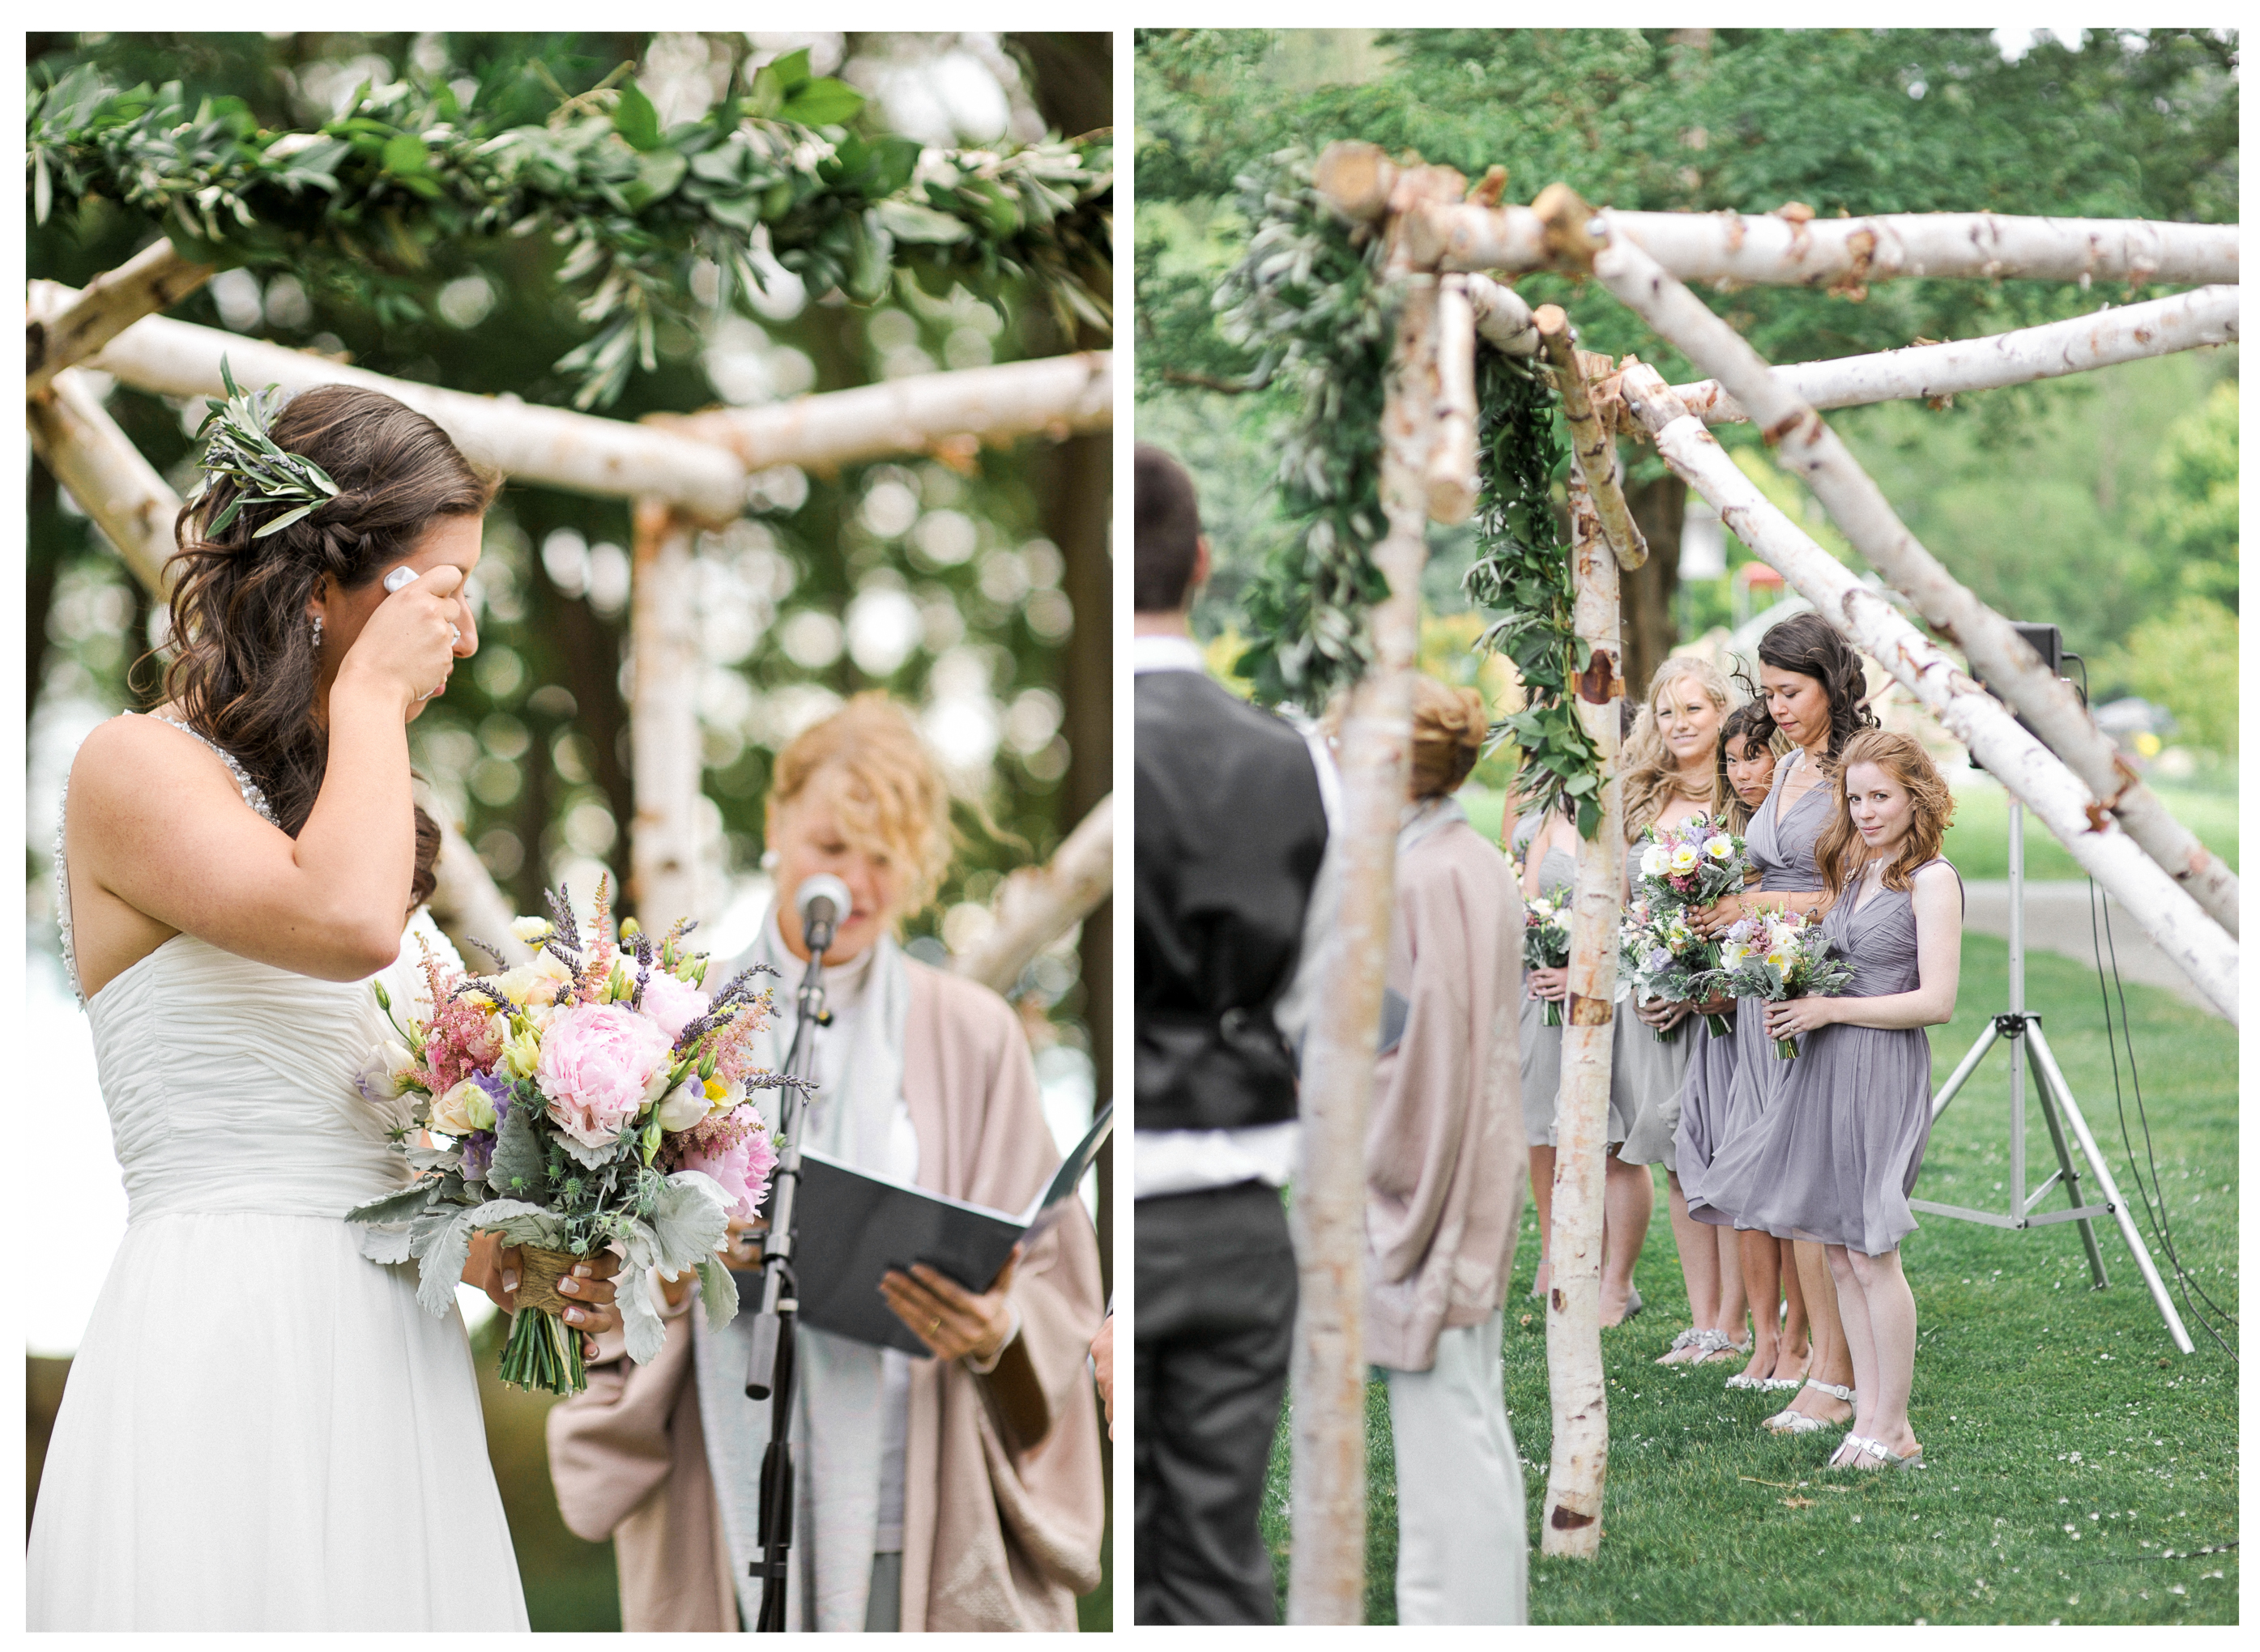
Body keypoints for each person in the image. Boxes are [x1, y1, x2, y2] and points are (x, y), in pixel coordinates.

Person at [29, 382, 622, 1629]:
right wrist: (365, 702)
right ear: (318, 584)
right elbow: (347, 927)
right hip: (228, 1329)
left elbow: (377, 1161)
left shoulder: (349, 817)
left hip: (389, 1359)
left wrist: (509, 1256)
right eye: (441, 589)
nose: (462, 637)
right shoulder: (132, 768)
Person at [547, 693, 1106, 1631]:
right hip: (724, 1481)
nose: (854, 881)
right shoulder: (674, 1019)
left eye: (884, 858)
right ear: (775, 826)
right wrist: (676, 1270)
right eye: (832, 848)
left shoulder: (974, 1035)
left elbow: (1055, 1279)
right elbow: (593, 1266)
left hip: (915, 1489)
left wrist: (996, 1330)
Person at [1132, 445, 1328, 1626]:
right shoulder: (1295, 761)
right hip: (1240, 1207)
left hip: (1134, 1211)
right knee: (1211, 1559)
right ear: (1200, 566)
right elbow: (1319, 996)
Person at [1698, 730, 1961, 1469]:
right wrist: (1792, 987)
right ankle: (1867, 1418)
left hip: (1879, 1065)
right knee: (1842, 1252)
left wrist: (1831, 1011)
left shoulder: (1932, 880)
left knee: (1874, 1251)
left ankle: (1895, 1426)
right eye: (1856, 798)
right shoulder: (1853, 869)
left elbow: (1936, 1001)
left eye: (1882, 796)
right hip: (1826, 1062)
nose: (1868, 811)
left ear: (1918, 797)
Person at [1690, 612, 1878, 1436]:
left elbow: (1860, 895)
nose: (1778, 709)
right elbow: (1766, 864)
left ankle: (1832, 1374)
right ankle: (1807, 1357)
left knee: (1816, 1190)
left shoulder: (1856, 769)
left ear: (1831, 683)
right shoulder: (1795, 761)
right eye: (1766, 694)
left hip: (1828, 987)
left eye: (1790, 692)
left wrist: (1756, 903)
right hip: (1770, 984)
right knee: (1784, 1188)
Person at [1364, 676, 1528, 1624]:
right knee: (1470, 1420)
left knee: (1446, 1442)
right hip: (1480, 1157)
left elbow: (1417, 1055)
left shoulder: (1424, 877)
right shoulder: (1465, 858)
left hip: (1440, 1172)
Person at [1614, 659, 1749, 1369]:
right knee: (1677, 1162)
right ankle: (1704, 1322)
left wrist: (1701, 983)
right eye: (1666, 712)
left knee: (1723, 1159)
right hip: (1656, 1006)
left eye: (1694, 709)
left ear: (1722, 711)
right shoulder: (1642, 798)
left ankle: (1736, 1321)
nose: (1680, 723)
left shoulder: (1744, 798)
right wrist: (1643, 975)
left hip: (1722, 1007)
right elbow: (1631, 907)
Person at [1514, 786, 1648, 1326]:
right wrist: (1542, 954)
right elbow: (1530, 901)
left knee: (1610, 1140)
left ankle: (1618, 1281)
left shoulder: (1630, 816)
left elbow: (1630, 918)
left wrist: (1583, 972)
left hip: (1606, 994)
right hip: (1543, 991)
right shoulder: (1553, 815)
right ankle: (1557, 1257)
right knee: (1543, 1125)